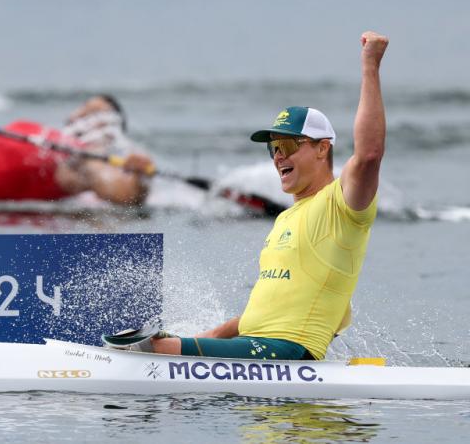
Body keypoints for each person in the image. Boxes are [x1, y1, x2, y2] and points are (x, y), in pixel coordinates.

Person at [145, 31, 389, 360]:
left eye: (287, 146)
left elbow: (370, 154)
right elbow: (275, 304)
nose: (278, 157)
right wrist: (217, 333)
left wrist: (370, 65)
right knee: (161, 341)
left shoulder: (340, 205)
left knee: (155, 348)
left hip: (290, 350)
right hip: (260, 348)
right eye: (273, 148)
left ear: (322, 149)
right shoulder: (285, 218)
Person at [0, 95, 154, 205]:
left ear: (110, 133)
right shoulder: (39, 131)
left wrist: (139, 181)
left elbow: (119, 192)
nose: (86, 114)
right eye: (87, 107)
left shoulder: (84, 159)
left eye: (98, 114)